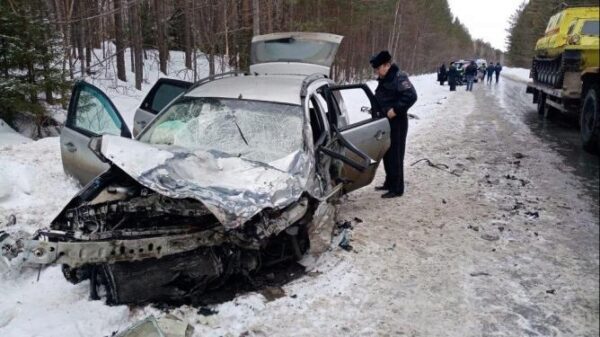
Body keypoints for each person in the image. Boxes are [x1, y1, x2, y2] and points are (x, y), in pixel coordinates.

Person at [370, 50, 418, 198]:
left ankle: (397, 188)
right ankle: (389, 182)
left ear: (387, 65)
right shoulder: (385, 78)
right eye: (376, 69)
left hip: (397, 122)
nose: (377, 72)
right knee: (387, 153)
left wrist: (396, 110)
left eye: (379, 69)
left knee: (396, 155)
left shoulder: (399, 77)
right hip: (385, 122)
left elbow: (411, 95)